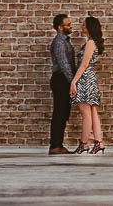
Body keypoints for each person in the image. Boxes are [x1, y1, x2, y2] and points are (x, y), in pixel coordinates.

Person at [70, 15, 106, 154]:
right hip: (90, 78)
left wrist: (74, 81)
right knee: (92, 112)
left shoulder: (90, 43)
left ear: (90, 27)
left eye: (84, 25)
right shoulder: (92, 42)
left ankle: (84, 144)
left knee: (85, 113)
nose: (82, 27)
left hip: (84, 79)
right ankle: (99, 142)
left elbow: (84, 64)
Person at [48, 13, 78, 155]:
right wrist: (73, 81)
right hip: (61, 79)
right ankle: (55, 146)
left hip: (64, 79)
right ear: (60, 27)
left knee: (63, 112)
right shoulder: (60, 42)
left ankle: (58, 145)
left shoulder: (64, 41)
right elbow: (64, 65)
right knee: (60, 113)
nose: (71, 26)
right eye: (68, 24)